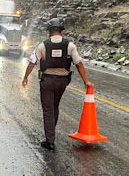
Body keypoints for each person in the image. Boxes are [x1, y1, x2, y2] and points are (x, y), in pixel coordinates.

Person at [22, 18, 94, 150]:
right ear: (61, 31)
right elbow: (79, 64)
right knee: (55, 106)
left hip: (47, 81)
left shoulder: (42, 45)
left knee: (48, 109)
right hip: (62, 82)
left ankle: (50, 141)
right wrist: (86, 81)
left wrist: (26, 77)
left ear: (49, 31)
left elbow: (32, 62)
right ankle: (51, 133)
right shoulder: (70, 46)